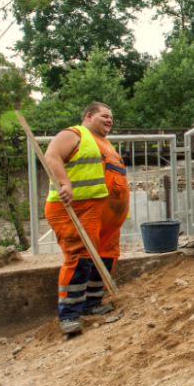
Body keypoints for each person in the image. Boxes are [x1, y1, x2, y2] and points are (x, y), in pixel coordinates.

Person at [44, 103, 129, 334]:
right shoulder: (75, 134)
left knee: (105, 257)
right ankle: (70, 314)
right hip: (78, 211)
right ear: (89, 116)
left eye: (111, 117)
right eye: (105, 116)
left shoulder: (105, 143)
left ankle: (91, 304)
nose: (109, 120)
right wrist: (64, 183)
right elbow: (51, 156)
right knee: (80, 258)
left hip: (104, 218)